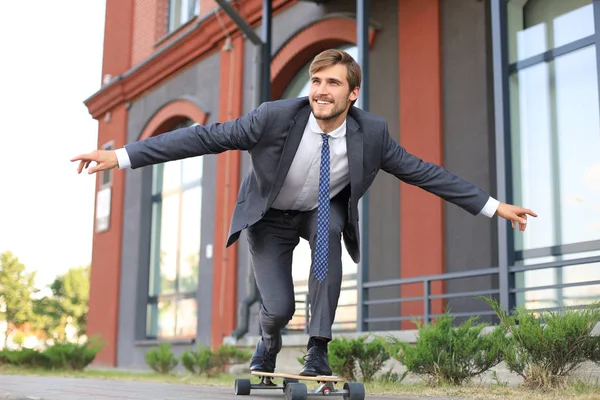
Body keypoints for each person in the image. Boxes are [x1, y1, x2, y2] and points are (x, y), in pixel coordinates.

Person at [72, 49, 536, 376]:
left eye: (332, 82)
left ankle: (318, 348)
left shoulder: (371, 134)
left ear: (352, 94)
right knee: (278, 307)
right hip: (270, 216)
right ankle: (269, 338)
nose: (320, 90)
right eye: (316, 81)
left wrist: (495, 207)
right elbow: (203, 137)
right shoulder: (272, 118)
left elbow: (424, 172)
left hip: (319, 210)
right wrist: (124, 156)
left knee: (328, 239)